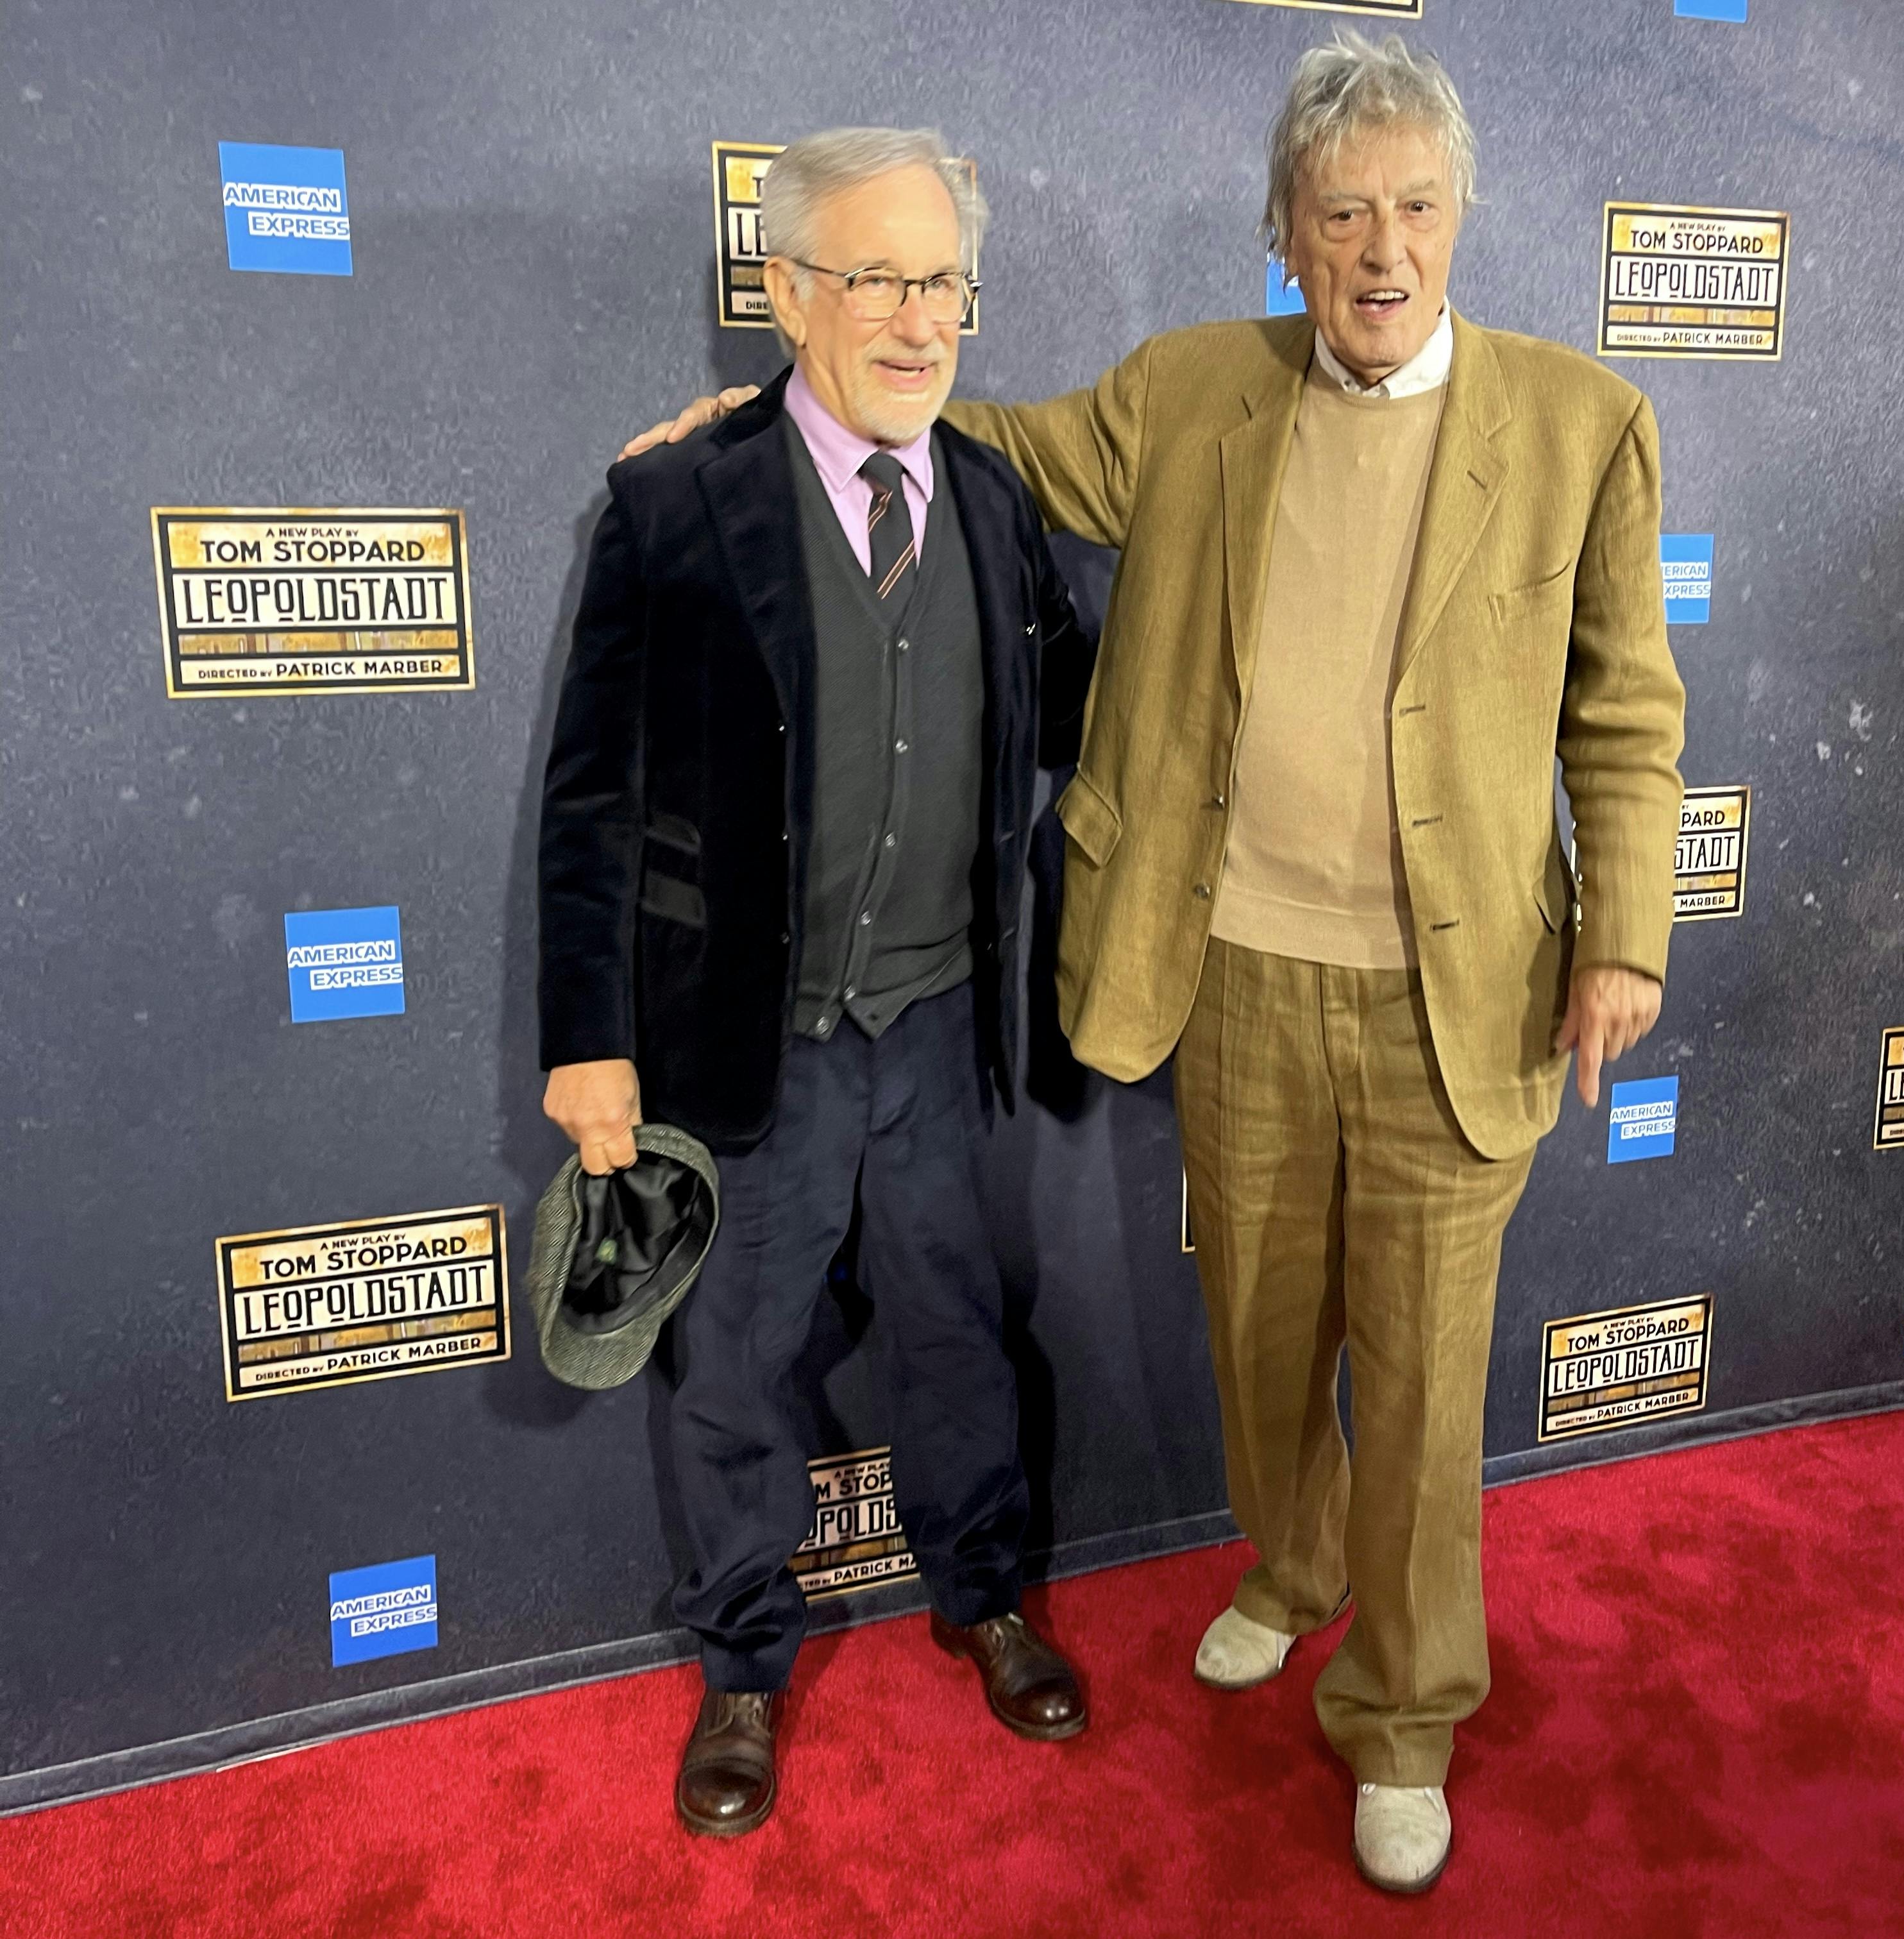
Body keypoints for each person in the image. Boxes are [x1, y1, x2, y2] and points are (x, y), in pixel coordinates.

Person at [626, 32, 1685, 1893]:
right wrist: (761, 431)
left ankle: (1405, 1712)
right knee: (1263, 1351)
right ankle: (1295, 1565)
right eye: (1340, 213)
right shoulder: (1197, 389)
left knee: (1422, 1391)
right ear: (1285, 229)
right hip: (1239, 976)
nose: (1380, 250)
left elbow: (1626, 712)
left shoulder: (1581, 421)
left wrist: (1630, 935)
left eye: (1414, 209)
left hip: (1460, 1005)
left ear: (1462, 218)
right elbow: (975, 436)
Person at [541, 126, 1096, 1842]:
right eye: (877, 280)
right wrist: (589, 1043)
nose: (920, 320)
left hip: (936, 1028)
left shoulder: (995, 506)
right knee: (733, 1367)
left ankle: (987, 1593)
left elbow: (1080, 712)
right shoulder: (673, 505)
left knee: (956, 1332)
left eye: (944, 283)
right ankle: (741, 1668)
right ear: (787, 293)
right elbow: (593, 797)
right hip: (748, 1048)